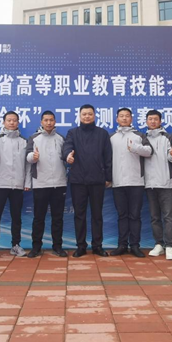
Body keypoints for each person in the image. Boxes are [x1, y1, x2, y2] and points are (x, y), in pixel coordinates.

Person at [62, 104, 113, 257]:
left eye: (90, 114)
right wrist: (68, 156)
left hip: (97, 180)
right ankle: (81, 246)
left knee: (97, 215)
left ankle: (97, 246)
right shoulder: (72, 133)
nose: (87, 116)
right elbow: (67, 147)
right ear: (79, 116)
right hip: (78, 180)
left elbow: (108, 157)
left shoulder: (102, 134)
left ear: (94, 115)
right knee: (79, 215)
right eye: (84, 114)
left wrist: (108, 177)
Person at [0, 111, 30, 258]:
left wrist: (27, 182)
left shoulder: (24, 141)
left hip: (17, 185)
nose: (11, 123)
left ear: (18, 123)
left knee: (16, 216)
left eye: (14, 120)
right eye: (9, 120)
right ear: (4, 122)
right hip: (0, 183)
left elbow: (28, 164)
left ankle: (15, 245)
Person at [109, 108, 153, 258]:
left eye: (127, 116)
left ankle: (135, 245)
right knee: (122, 215)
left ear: (131, 119)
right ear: (117, 119)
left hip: (136, 182)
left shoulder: (139, 135)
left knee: (135, 215)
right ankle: (122, 245)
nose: (124, 118)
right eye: (121, 116)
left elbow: (149, 151)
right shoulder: (111, 137)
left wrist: (135, 148)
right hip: (117, 182)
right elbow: (107, 159)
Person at [25, 111, 68, 258]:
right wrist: (33, 156)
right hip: (41, 183)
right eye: (46, 120)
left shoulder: (61, 138)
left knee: (58, 218)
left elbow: (66, 156)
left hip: (59, 184)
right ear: (41, 122)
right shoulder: (34, 138)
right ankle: (36, 247)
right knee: (39, 218)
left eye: (51, 120)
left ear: (55, 121)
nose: (49, 123)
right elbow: (28, 157)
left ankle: (58, 247)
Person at [144, 110, 172, 260]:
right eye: (150, 119)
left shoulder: (168, 137)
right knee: (154, 217)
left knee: (168, 216)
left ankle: (169, 245)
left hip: (166, 183)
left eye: (155, 119)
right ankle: (158, 244)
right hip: (149, 183)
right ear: (146, 121)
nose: (153, 121)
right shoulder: (143, 138)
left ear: (160, 121)